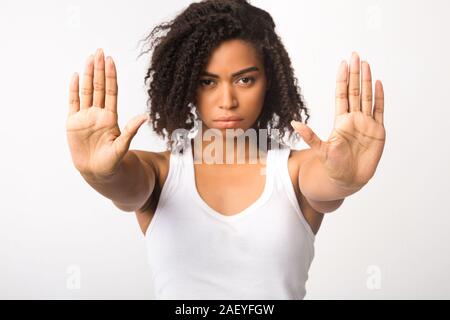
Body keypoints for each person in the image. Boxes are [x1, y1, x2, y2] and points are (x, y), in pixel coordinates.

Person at [66, 0, 385, 299]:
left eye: (245, 80)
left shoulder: (296, 171)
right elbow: (124, 185)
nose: (227, 101)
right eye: (207, 82)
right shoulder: (159, 172)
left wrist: (346, 179)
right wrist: (100, 174)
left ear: (269, 80)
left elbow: (328, 182)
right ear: (186, 83)